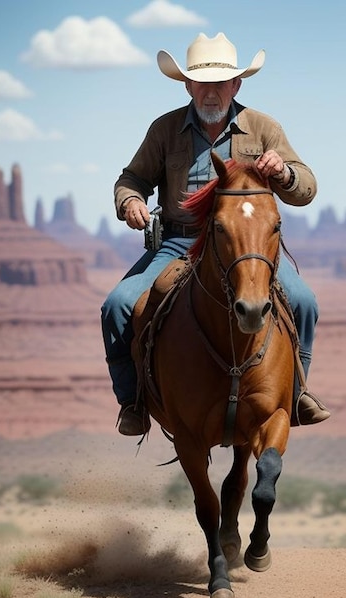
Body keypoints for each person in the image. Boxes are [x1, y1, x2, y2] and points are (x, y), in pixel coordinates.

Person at [101, 32, 330, 436]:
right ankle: (133, 401)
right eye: (202, 83)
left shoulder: (262, 127)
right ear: (188, 85)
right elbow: (131, 178)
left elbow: (306, 188)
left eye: (221, 83)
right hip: (179, 243)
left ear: (236, 85)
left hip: (247, 245)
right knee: (118, 305)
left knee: (303, 301)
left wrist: (285, 173)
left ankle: (296, 393)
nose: (211, 93)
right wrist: (130, 202)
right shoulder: (165, 129)